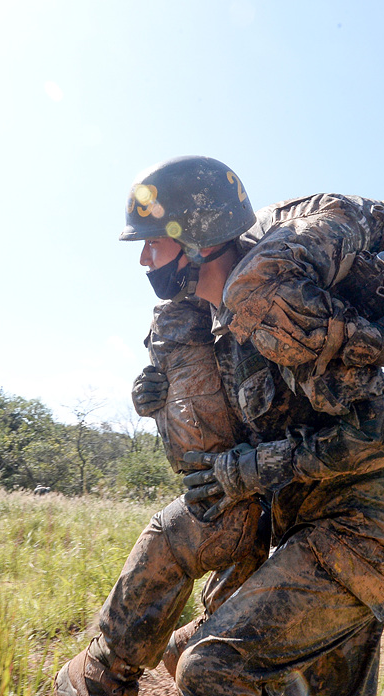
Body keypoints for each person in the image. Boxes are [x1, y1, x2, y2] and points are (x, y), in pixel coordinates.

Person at [110, 144, 384, 696]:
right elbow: (253, 312)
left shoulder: (359, 265)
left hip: (362, 522)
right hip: (303, 505)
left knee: (216, 666)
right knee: (204, 649)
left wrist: (252, 467)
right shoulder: (332, 234)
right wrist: (165, 392)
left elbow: (376, 432)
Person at [54, 293, 271, 696]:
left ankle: (177, 648)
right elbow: (209, 406)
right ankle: (120, 666)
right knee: (215, 526)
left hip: (281, 478)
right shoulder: (189, 314)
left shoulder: (259, 291)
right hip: (240, 479)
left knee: (218, 534)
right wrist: (157, 403)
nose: (146, 259)